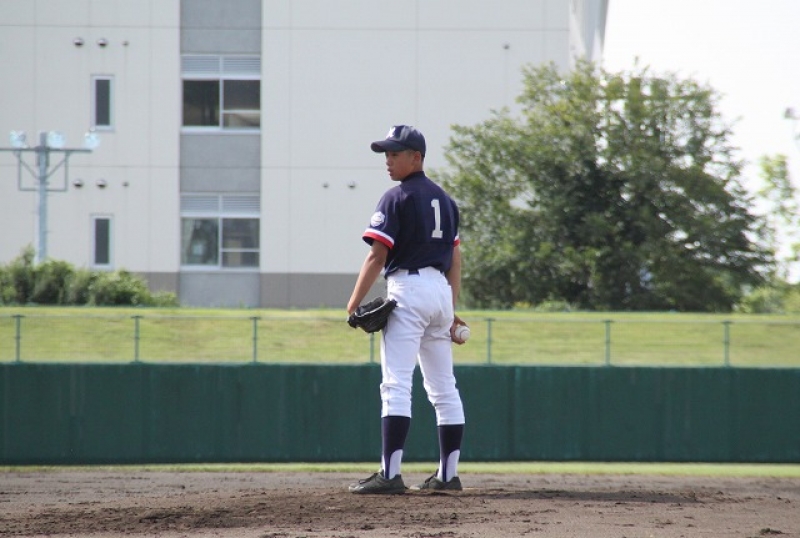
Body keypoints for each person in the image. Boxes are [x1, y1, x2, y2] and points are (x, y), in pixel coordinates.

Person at [347, 125, 467, 495]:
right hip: (439, 292)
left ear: (417, 157)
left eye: (395, 153)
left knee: (396, 383)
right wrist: (450, 307)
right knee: (444, 387)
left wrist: (353, 303)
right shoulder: (446, 201)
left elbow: (377, 256)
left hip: (409, 290)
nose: (388, 160)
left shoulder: (395, 197)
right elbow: (455, 258)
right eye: (386, 154)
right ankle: (448, 477)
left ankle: (390, 474)